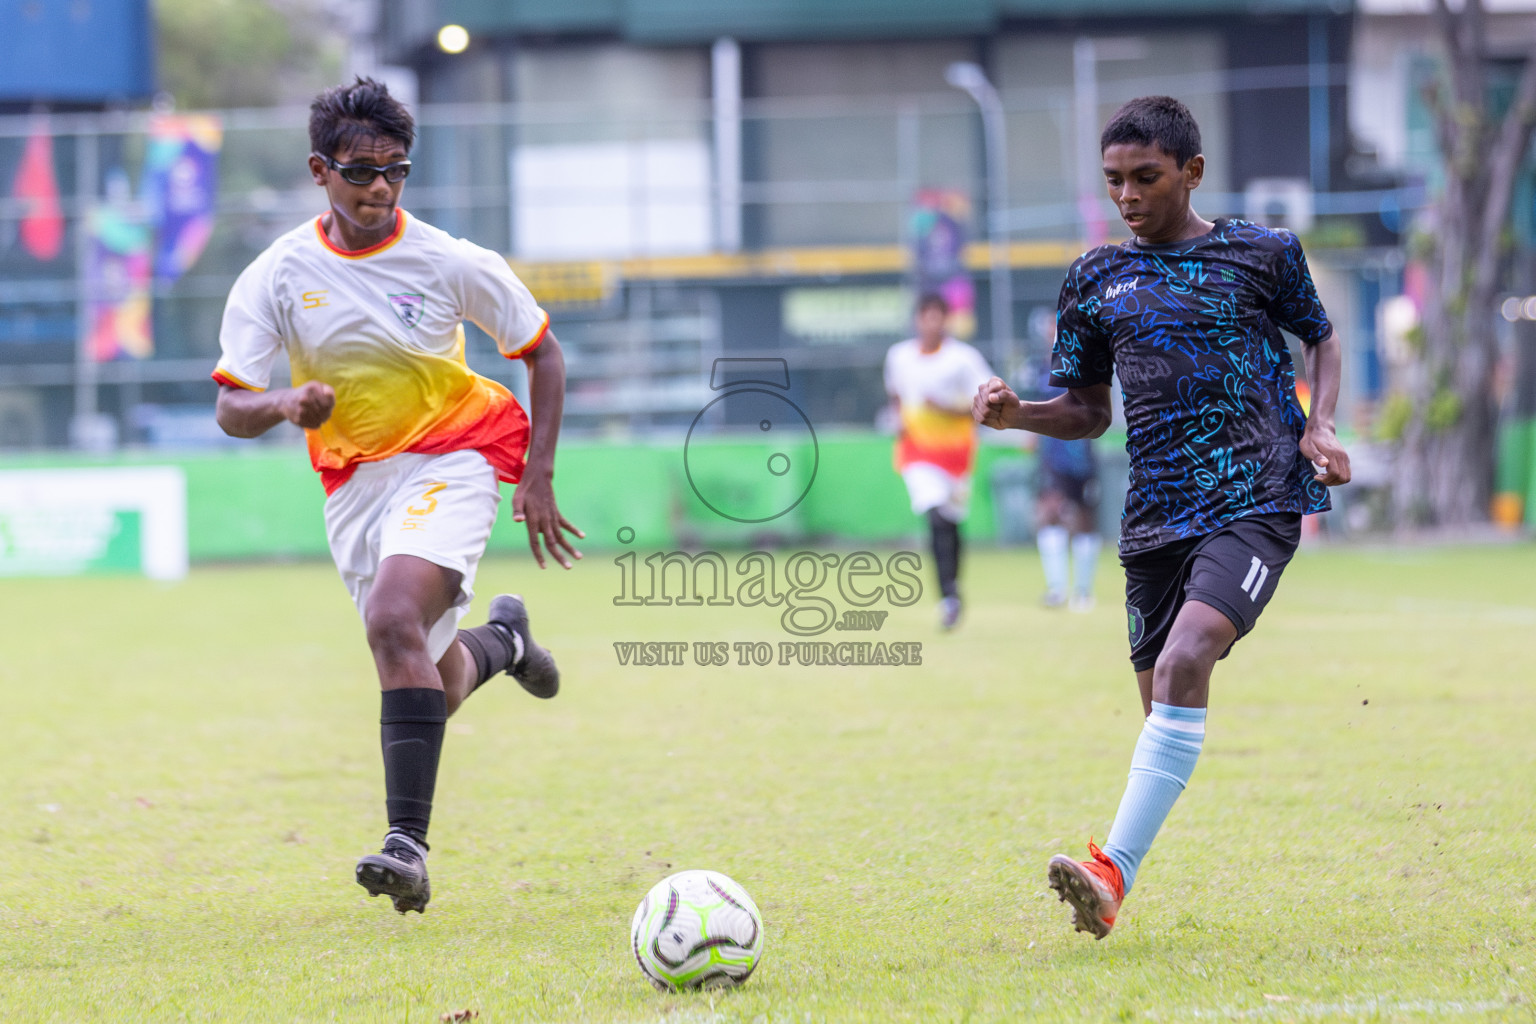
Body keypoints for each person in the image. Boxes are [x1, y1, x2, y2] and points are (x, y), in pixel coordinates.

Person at [973, 96, 1350, 939]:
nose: (1128, 196)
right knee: (1164, 710)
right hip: (1153, 520)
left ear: (1192, 172)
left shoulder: (1262, 252)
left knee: (1185, 663)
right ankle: (1117, 888)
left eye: (1146, 177)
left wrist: (1319, 423)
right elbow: (1085, 410)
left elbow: (1320, 336)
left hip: (1256, 498)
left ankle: (1108, 868)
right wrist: (1018, 415)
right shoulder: (1095, 278)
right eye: (1114, 181)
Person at [211, 78, 584, 915]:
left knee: (390, 621)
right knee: (429, 677)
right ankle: (507, 645)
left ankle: (405, 847)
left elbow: (542, 351)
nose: (381, 188)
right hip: (354, 484)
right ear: (320, 170)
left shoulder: (451, 260)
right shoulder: (275, 275)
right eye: (361, 171)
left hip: (456, 455)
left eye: (396, 171)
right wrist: (281, 405)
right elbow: (233, 406)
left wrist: (539, 474)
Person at [884, 293, 993, 629]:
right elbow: (896, 394)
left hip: (957, 454)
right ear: (917, 319)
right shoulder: (899, 356)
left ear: (946, 320)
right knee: (933, 513)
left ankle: (953, 590)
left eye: (937, 316)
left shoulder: (962, 359)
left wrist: (948, 409)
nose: (931, 322)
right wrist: (900, 419)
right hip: (917, 451)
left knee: (950, 519)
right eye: (925, 315)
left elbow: (988, 400)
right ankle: (946, 595)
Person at [1033, 378, 1102, 612]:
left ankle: (1083, 590)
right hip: (1053, 457)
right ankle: (1057, 589)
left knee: (1084, 521)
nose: (1050, 338)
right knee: (1049, 514)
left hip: (1080, 454)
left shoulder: (1081, 360)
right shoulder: (1039, 368)